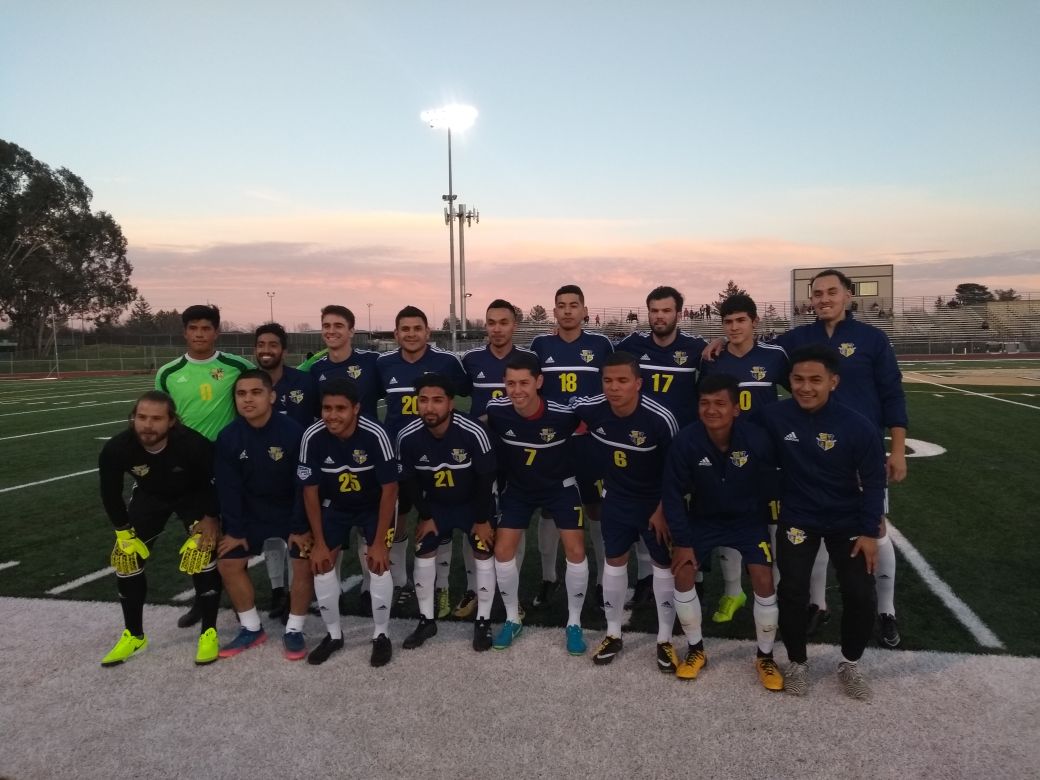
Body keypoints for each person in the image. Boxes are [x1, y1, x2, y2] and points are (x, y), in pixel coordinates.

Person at [704, 270, 908, 647]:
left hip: (857, 448)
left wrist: (896, 447)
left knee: (875, 529)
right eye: (817, 294)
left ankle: (886, 610)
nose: (823, 299)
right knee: (812, 528)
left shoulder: (872, 339)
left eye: (832, 292)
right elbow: (751, 348)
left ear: (848, 295)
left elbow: (892, 393)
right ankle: (818, 604)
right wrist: (721, 339)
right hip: (810, 450)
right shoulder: (796, 340)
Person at [758, 345, 886, 700]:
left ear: (834, 381)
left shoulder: (857, 425)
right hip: (798, 517)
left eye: (815, 380)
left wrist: (870, 530)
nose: (805, 387)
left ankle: (850, 663)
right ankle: (797, 662)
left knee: (860, 593)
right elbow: (735, 434)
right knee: (792, 590)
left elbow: (875, 480)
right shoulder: (775, 416)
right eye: (798, 379)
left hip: (848, 521)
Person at [661, 374, 784, 690]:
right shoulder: (686, 441)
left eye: (720, 403)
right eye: (705, 403)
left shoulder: (756, 439)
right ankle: (696, 649)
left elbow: (773, 483)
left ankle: (765, 657)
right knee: (684, 572)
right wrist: (683, 542)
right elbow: (672, 495)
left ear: (736, 408)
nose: (711, 410)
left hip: (748, 520)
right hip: (704, 519)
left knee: (763, 578)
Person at [571, 352, 680, 671]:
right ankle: (613, 633)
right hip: (616, 499)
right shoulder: (593, 408)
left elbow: (676, 471)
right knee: (614, 561)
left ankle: (664, 639)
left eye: (622, 381)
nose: (614, 387)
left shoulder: (660, 418)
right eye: (608, 380)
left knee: (663, 564)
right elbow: (560, 410)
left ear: (638, 383)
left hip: (654, 502)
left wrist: (662, 508)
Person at [97, 391, 221, 666]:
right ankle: (134, 635)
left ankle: (209, 631)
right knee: (127, 558)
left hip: (193, 495)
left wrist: (211, 518)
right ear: (133, 418)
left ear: (172, 421)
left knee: (202, 551)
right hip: (151, 495)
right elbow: (110, 493)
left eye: (156, 418)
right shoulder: (118, 448)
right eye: (141, 417)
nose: (147, 425)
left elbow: (215, 483)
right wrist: (122, 531)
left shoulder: (192, 444)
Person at [155, 304, 253, 628]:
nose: (199, 334)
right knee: (197, 533)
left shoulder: (236, 365)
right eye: (193, 328)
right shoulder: (168, 373)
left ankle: (242, 602)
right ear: (184, 332)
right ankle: (202, 598)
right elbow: (162, 419)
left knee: (233, 530)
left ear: (216, 332)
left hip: (227, 460)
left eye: (206, 328)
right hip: (187, 465)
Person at [484, 353, 588, 655]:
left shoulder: (563, 413)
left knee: (576, 550)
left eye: (524, 383)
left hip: (560, 487)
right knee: (503, 551)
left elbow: (593, 424)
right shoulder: (498, 411)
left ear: (539, 382)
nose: (517, 390)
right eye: (511, 383)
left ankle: (574, 622)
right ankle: (513, 617)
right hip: (519, 490)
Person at [615, 286, 706, 607]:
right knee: (645, 514)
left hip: (683, 446)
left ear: (678, 313)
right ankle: (646, 579)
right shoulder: (631, 345)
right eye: (654, 310)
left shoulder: (698, 349)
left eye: (666, 311)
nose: (659, 316)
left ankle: (696, 576)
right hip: (641, 446)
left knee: (687, 512)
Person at [296, 379, 398, 667]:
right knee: (322, 563)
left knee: (377, 564)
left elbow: (390, 490)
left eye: (341, 408)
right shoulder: (312, 436)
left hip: (372, 505)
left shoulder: (375, 434)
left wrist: (379, 543)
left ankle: (381, 634)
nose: (332, 415)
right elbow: (310, 491)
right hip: (336, 505)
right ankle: (333, 635)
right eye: (327, 408)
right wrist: (319, 542)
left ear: (356, 409)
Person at [699, 293, 788, 624]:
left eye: (741, 320)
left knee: (772, 526)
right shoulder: (713, 359)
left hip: (768, 457)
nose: (734, 327)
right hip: (725, 454)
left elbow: (801, 391)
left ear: (755, 322)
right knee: (729, 524)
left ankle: (772, 594)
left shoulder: (776, 356)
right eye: (728, 322)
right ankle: (733, 591)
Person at [377, 305, 471, 614]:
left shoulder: (447, 362)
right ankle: (403, 582)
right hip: (398, 456)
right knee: (398, 518)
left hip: (440, 455)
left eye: (417, 328)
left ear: (427, 332)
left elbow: (467, 392)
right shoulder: (384, 364)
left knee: (441, 518)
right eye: (405, 329)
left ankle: (442, 586)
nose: (411, 334)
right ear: (396, 333)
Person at [213, 370, 314, 661]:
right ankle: (251, 628)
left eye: (256, 392)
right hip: (253, 515)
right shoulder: (229, 436)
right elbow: (229, 489)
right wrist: (234, 530)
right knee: (229, 562)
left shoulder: (294, 432)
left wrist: (299, 526)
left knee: (302, 558)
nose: (247, 399)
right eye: (241, 394)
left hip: (289, 512)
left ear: (271, 396)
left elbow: (302, 486)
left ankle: (294, 629)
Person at [396, 374, 498, 651]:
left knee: (482, 550)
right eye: (424, 400)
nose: (430, 407)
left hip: (472, 504)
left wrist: (481, 520)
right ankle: (426, 620)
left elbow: (486, 478)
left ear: (451, 403)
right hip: (437, 506)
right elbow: (410, 482)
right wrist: (426, 516)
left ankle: (483, 621)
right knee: (424, 551)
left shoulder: (473, 431)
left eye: (437, 400)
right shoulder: (407, 436)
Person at [529, 285, 613, 611]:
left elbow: (613, 381)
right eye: (561, 305)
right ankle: (548, 578)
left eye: (573, 305)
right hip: (553, 442)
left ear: (584, 310)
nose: (567, 311)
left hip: (590, 442)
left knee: (595, 508)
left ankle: (604, 579)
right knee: (550, 508)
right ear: (554, 312)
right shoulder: (540, 344)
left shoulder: (600, 343)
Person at [301, 305, 384, 617]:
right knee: (330, 524)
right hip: (332, 458)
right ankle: (330, 596)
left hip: (369, 454)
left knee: (370, 527)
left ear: (351, 330)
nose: (331, 330)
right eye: (326, 325)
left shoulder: (372, 362)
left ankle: (368, 589)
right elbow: (314, 413)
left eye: (338, 325)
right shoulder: (314, 369)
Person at [456, 298, 536, 618]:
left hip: (517, 451)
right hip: (478, 454)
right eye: (491, 322)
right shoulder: (472, 359)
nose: (497, 329)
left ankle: (510, 590)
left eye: (504, 322)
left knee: (514, 521)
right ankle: (473, 588)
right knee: (474, 518)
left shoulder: (528, 359)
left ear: (514, 325)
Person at [254, 323, 319, 622]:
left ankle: (297, 590)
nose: (266, 351)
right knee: (270, 534)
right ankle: (277, 590)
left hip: (299, 467)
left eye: (272, 345)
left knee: (298, 529)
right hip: (261, 467)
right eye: (261, 345)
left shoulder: (304, 382)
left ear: (284, 350)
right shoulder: (249, 383)